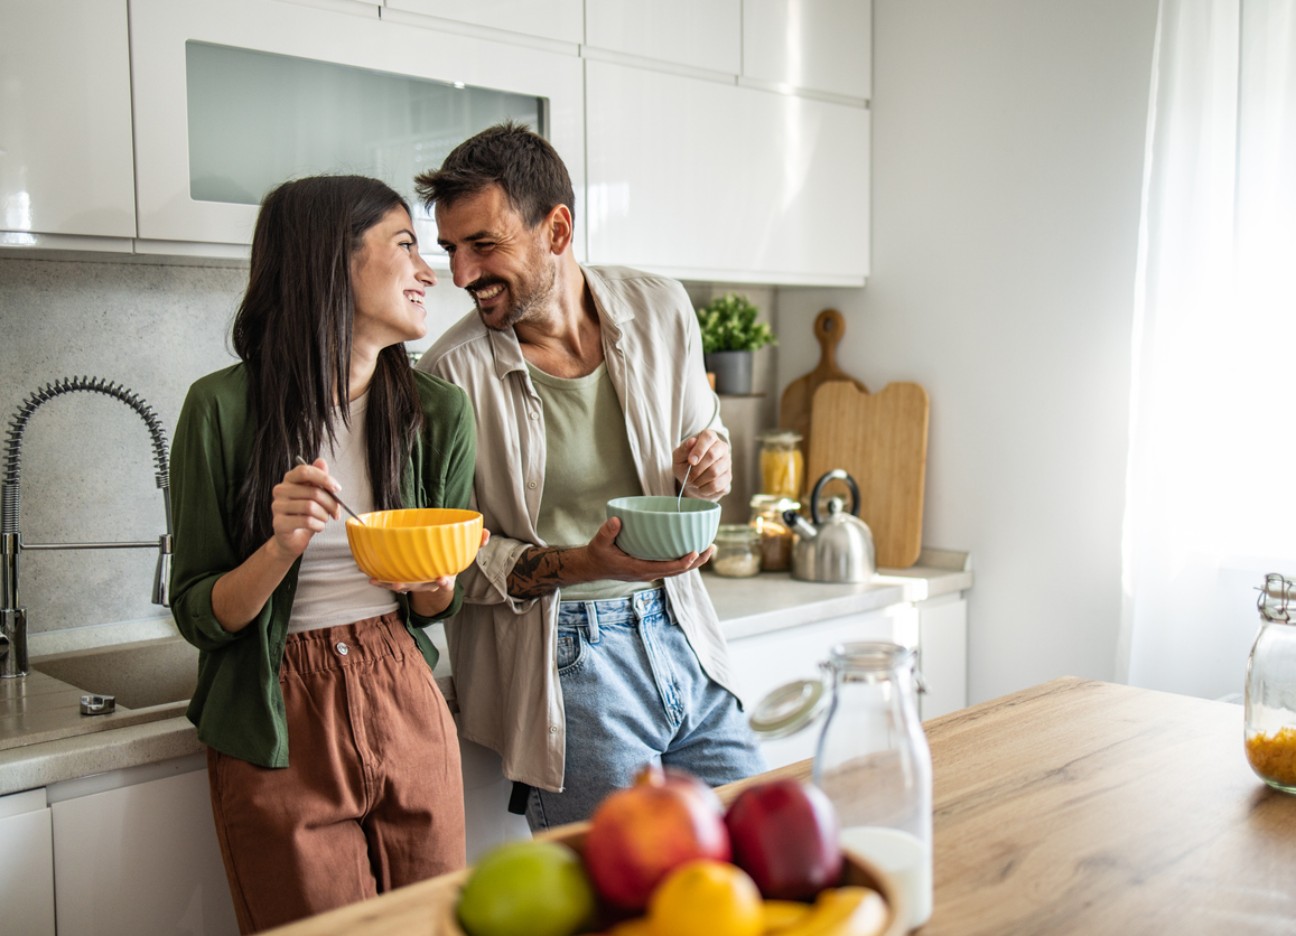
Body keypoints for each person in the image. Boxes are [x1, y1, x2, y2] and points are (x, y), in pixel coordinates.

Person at [414, 122, 766, 831]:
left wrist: (711, 463)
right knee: (619, 903)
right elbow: (447, 559)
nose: (460, 274)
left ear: (558, 228)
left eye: (484, 244)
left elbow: (704, 458)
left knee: (756, 854)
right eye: (451, 249)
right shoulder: (450, 376)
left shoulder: (662, 309)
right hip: (565, 662)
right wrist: (581, 564)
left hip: (684, 628)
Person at [169, 175, 480, 933]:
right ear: (329, 261)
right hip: (277, 709)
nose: (429, 271)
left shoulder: (437, 413)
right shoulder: (220, 409)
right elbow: (200, 615)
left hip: (403, 691)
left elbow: (437, 608)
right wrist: (281, 548)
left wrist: (437, 585)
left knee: (437, 925)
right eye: (406, 244)